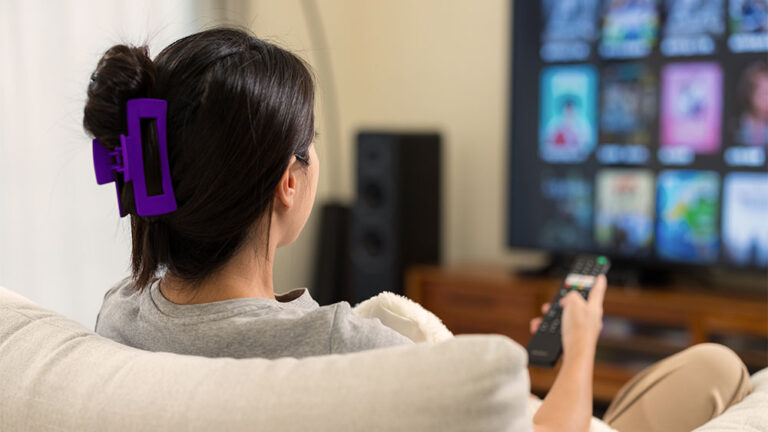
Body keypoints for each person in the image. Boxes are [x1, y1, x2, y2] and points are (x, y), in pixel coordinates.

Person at [86, 28, 751, 432]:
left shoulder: (119, 318)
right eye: (310, 144)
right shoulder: (348, 349)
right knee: (719, 369)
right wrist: (579, 349)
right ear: (289, 182)